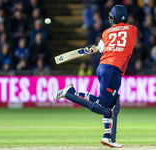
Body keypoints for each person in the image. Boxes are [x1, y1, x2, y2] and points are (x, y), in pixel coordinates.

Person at [53, 5, 137, 148]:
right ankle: (70, 93)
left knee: (111, 104)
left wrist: (101, 46)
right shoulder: (133, 29)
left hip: (103, 67)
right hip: (113, 70)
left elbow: (104, 46)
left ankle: (107, 137)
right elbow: (123, 42)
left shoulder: (105, 33)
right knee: (104, 106)